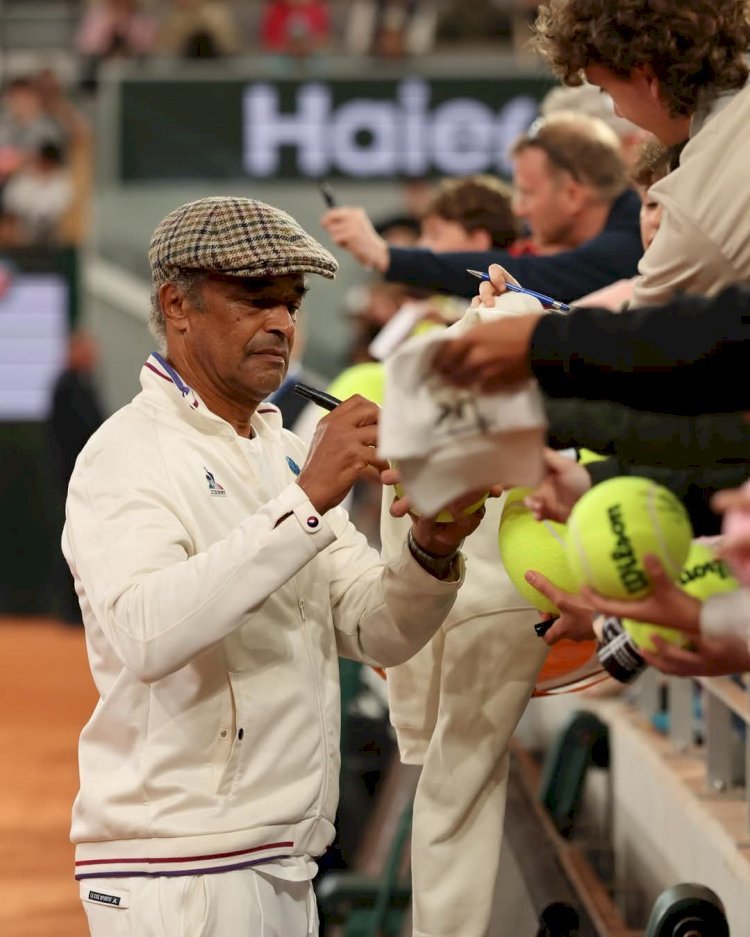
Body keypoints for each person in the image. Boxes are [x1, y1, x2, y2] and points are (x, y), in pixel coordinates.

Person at [62, 196, 483, 936]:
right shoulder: (125, 454)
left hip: (283, 859)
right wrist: (308, 500)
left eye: (291, 302)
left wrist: (431, 547)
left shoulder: (282, 451)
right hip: (179, 869)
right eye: (256, 298)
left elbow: (372, 627)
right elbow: (146, 633)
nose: (283, 322)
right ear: (175, 305)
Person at [533, 0, 750, 306]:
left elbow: (636, 340)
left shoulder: (703, 210)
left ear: (648, 79)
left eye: (607, 92)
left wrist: (521, 315)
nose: (619, 113)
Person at [320, 112, 643, 302]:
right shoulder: (619, 227)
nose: (519, 210)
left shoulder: (631, 243)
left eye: (528, 194)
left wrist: (386, 255)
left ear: (573, 195)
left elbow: (527, 274)